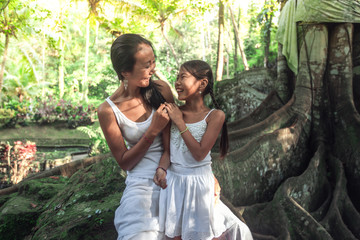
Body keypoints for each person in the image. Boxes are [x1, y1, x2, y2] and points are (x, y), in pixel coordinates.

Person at [157, 60, 253, 240]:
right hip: (174, 185)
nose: (177, 82)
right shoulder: (170, 113)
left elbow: (200, 154)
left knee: (208, 235)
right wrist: (161, 169)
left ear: (202, 83)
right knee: (177, 235)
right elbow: (168, 153)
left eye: (183, 77)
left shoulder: (215, 116)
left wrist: (179, 121)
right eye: (177, 77)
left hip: (200, 186)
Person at [97, 33, 174, 240]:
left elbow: (176, 143)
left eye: (153, 62)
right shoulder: (107, 110)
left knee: (233, 230)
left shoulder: (161, 90)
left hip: (174, 171)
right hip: (141, 181)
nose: (153, 69)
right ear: (125, 72)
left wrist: (206, 176)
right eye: (146, 65)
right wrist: (152, 131)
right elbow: (125, 162)